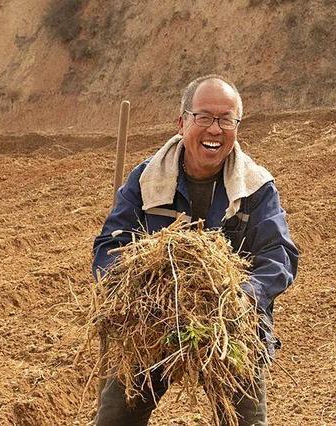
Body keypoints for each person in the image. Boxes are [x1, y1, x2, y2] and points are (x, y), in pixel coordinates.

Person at [92, 75, 299, 425]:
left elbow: (278, 256)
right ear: (182, 122)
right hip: (152, 322)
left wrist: (240, 298)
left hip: (230, 327)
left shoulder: (255, 186)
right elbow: (110, 247)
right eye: (203, 117)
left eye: (225, 119)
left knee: (244, 420)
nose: (214, 129)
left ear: (237, 125)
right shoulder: (147, 179)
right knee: (116, 416)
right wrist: (134, 294)